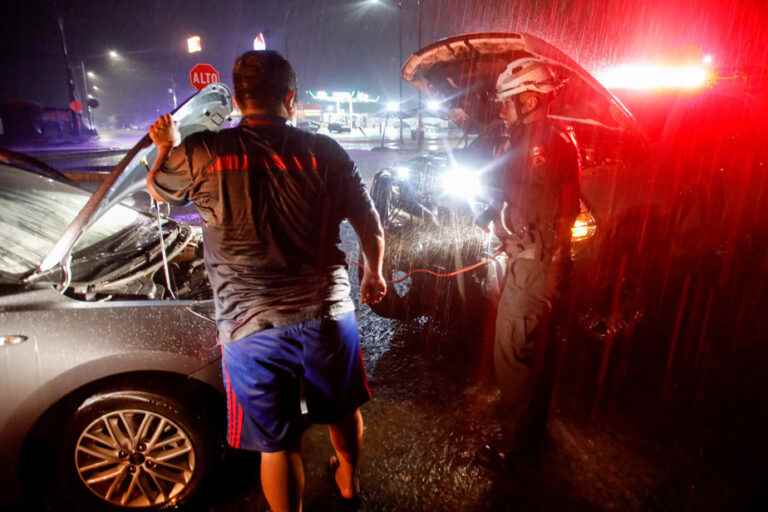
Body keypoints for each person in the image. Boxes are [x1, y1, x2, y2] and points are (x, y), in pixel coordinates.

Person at [146, 50, 386, 512]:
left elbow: (158, 190)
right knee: (341, 410)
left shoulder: (205, 153)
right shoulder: (325, 152)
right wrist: (374, 272)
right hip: (327, 314)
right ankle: (349, 487)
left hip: (248, 326)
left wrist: (166, 146)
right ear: (291, 99)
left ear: (238, 100)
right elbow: (368, 219)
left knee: (276, 443)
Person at [478, 57, 581, 471]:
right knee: (534, 349)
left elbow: (544, 213)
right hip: (536, 263)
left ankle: (517, 447)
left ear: (531, 99)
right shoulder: (547, 139)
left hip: (532, 267)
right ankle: (532, 431)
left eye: (508, 102)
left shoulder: (542, 144)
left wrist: (509, 236)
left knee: (513, 351)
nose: (502, 110)